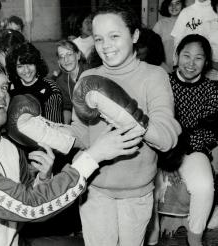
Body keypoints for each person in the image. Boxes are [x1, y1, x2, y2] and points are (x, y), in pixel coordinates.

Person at [0, 55, 144, 246]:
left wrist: (43, 178)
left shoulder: (7, 147)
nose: (1, 95)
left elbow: (23, 198)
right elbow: (29, 207)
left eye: (4, 87)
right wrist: (94, 155)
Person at [67, 3, 181, 246]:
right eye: (98, 39)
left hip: (136, 193)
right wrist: (49, 132)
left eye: (114, 36)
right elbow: (80, 134)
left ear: (135, 35)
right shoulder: (88, 78)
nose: (105, 46)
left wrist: (123, 114)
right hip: (94, 189)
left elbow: (166, 137)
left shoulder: (154, 76)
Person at [151, 34, 218, 246]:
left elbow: (209, 132)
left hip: (191, 150)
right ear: (177, 56)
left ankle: (195, 236)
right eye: (186, 55)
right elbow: (155, 122)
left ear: (206, 62)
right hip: (158, 148)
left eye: (198, 58)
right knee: (144, 180)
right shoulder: (162, 82)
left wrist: (179, 147)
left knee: (204, 186)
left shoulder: (211, 89)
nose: (191, 63)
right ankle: (150, 235)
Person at [6, 42, 63, 123]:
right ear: (14, 68)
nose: (26, 70)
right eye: (20, 66)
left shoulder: (51, 90)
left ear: (37, 64)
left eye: (29, 64)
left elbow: (54, 128)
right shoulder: (10, 87)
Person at [171, 0, 218, 79]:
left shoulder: (216, 10)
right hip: (190, 68)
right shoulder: (186, 12)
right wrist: (176, 65)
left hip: (214, 71)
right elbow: (177, 42)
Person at [55, 40, 88, 124]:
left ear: (78, 55)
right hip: (78, 122)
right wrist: (65, 126)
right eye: (61, 56)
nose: (66, 60)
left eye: (69, 54)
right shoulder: (61, 81)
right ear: (59, 61)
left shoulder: (90, 73)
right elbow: (67, 107)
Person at [153, 0, 185, 72]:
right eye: (170, 4)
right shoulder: (160, 24)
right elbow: (153, 48)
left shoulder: (188, 23)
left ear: (182, 5)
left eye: (177, 3)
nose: (174, 7)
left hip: (184, 69)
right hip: (164, 68)